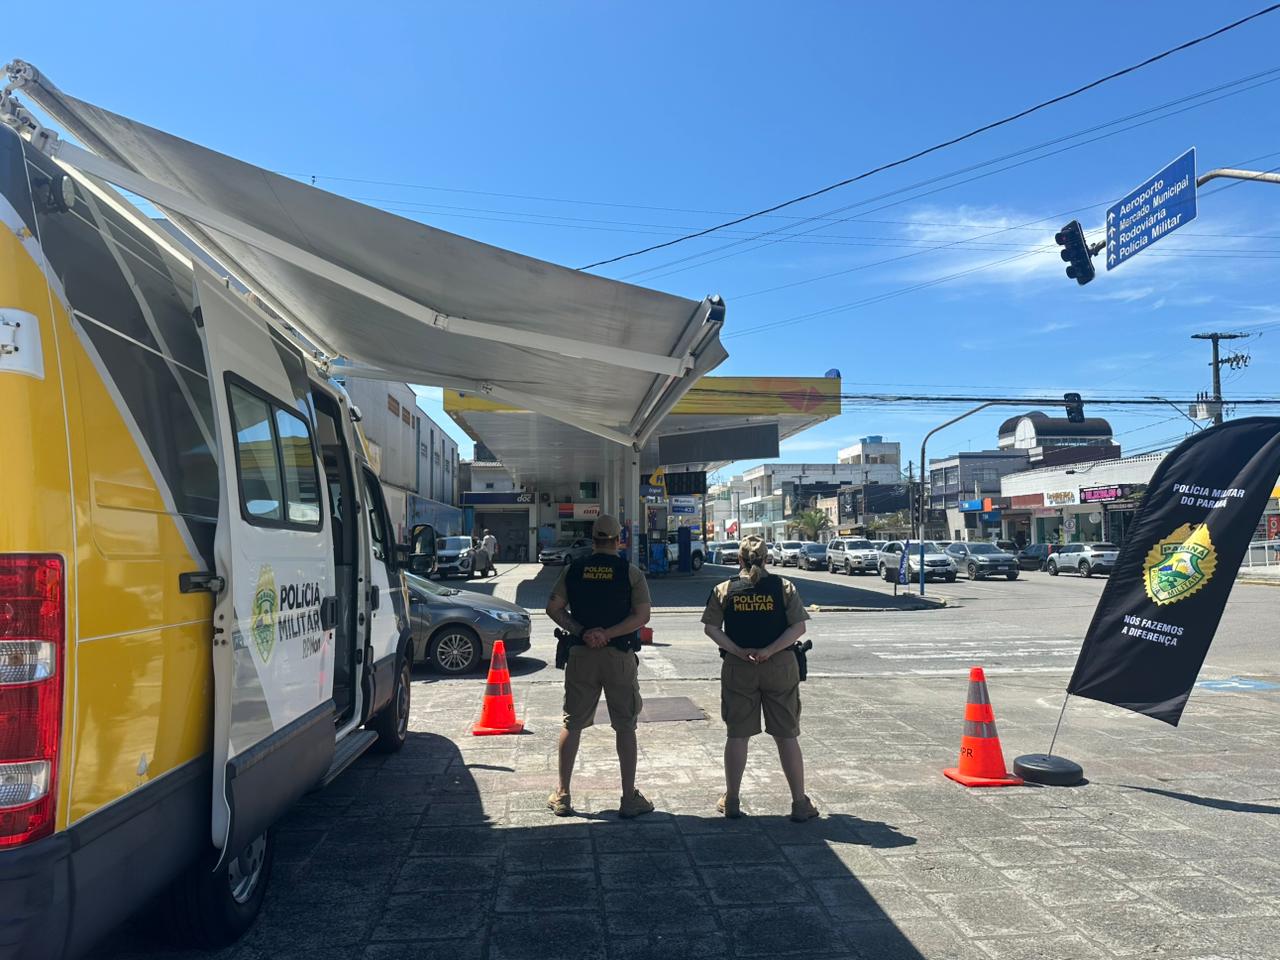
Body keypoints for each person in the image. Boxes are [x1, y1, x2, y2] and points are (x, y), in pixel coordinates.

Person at [701, 535, 818, 822]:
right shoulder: (784, 587)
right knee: (786, 735)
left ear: (738, 559)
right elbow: (798, 628)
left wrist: (739, 652)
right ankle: (799, 803)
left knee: (737, 735)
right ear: (766, 558)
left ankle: (732, 800)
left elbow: (711, 629)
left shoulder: (724, 588)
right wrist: (769, 650)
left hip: (739, 667)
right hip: (780, 665)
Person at [545, 515, 654, 819]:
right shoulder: (630, 572)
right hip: (618, 656)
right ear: (619, 540)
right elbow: (642, 616)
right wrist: (608, 634)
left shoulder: (574, 569)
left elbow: (553, 608)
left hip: (581, 655)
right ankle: (628, 798)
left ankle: (563, 795)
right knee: (625, 726)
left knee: (573, 723)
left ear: (593, 540)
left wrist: (582, 631)